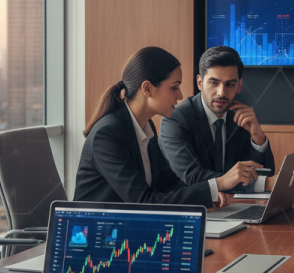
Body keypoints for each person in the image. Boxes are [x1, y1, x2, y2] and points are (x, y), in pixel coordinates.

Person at [74, 46, 226, 208]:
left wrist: (211, 194)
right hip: (95, 230)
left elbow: (167, 184)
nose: (180, 95)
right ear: (147, 88)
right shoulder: (107, 134)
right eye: (174, 87)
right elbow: (144, 202)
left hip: (127, 226)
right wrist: (216, 185)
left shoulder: (145, 126)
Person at [159, 46, 275, 198]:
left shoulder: (240, 115)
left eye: (230, 84)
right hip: (192, 209)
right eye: (214, 83)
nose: (221, 93)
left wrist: (258, 138)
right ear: (200, 83)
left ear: (239, 85)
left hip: (231, 206)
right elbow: (193, 177)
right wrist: (263, 184)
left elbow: (266, 173)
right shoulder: (175, 119)